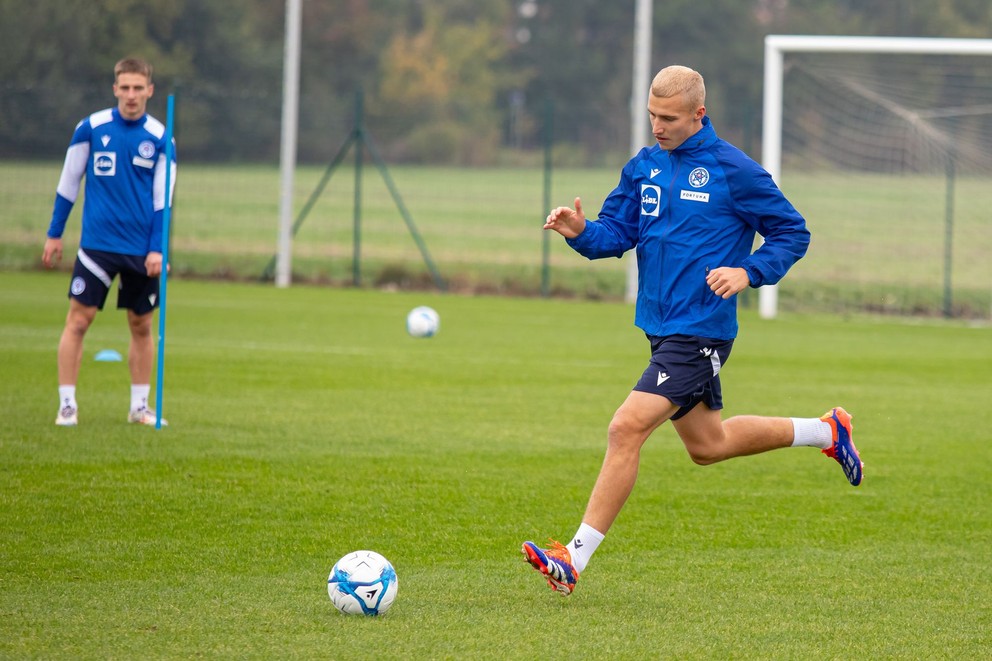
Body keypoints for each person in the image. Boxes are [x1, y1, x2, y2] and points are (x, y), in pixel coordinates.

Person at [521, 65, 862, 596]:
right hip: (660, 326)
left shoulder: (735, 171)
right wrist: (581, 231)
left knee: (625, 427)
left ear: (699, 114)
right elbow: (617, 234)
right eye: (652, 115)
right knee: (709, 445)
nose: (658, 126)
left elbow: (793, 232)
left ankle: (574, 558)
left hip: (701, 329)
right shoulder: (644, 166)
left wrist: (749, 270)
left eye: (669, 118)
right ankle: (828, 431)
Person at [42, 57, 177, 427]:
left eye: (138, 88)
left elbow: (163, 201)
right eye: (125, 87)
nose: (131, 95)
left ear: (150, 90)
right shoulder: (90, 128)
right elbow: (69, 183)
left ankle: (139, 407)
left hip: (141, 252)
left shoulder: (162, 138)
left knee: (142, 325)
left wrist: (157, 248)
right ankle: (67, 405)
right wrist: (55, 233)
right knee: (79, 321)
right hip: (97, 246)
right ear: (115, 88)